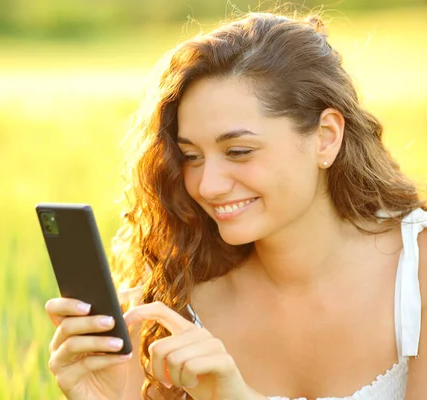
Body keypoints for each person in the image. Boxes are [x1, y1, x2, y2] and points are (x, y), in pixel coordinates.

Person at [45, 12, 427, 400]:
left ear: (326, 137)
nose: (207, 186)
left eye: (239, 151)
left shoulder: (417, 269)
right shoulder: (179, 304)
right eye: (191, 156)